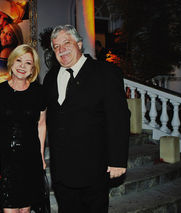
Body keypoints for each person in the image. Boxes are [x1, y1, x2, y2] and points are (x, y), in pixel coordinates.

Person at [42, 24, 130, 213]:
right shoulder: (50, 77)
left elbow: (119, 117)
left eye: (67, 43)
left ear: (80, 44)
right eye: (56, 46)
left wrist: (118, 160)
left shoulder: (106, 73)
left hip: (94, 168)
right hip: (62, 172)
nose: (61, 49)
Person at [0, 44, 46, 213]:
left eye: (28, 63)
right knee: (9, 209)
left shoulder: (38, 92)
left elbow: (41, 124)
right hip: (5, 161)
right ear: (11, 62)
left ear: (33, 68)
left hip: (30, 159)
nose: (22, 66)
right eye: (19, 60)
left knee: (25, 209)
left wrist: (41, 156)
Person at [0, 23, 24, 94]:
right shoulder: (18, 53)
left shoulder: (5, 52)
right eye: (3, 32)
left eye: (9, 34)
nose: (4, 36)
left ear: (16, 37)